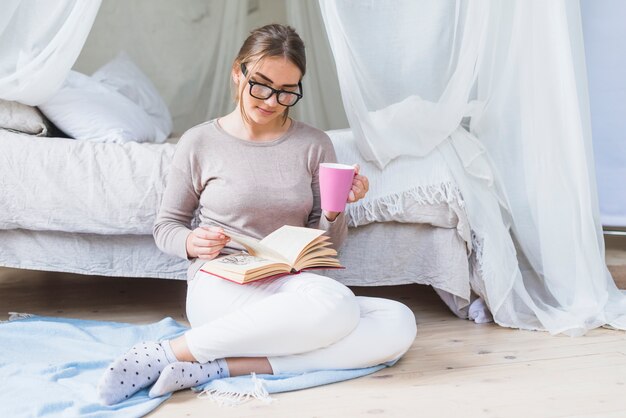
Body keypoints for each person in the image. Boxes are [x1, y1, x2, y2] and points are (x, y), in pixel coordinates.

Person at [97, 24, 417, 405]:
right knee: (338, 310)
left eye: (286, 92)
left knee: (398, 320)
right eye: (261, 84)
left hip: (296, 285)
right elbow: (166, 226)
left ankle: (212, 366)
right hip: (221, 283)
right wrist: (190, 241)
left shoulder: (314, 144)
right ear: (238, 72)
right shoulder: (199, 142)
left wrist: (334, 210)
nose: (271, 100)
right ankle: (168, 353)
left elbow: (329, 248)